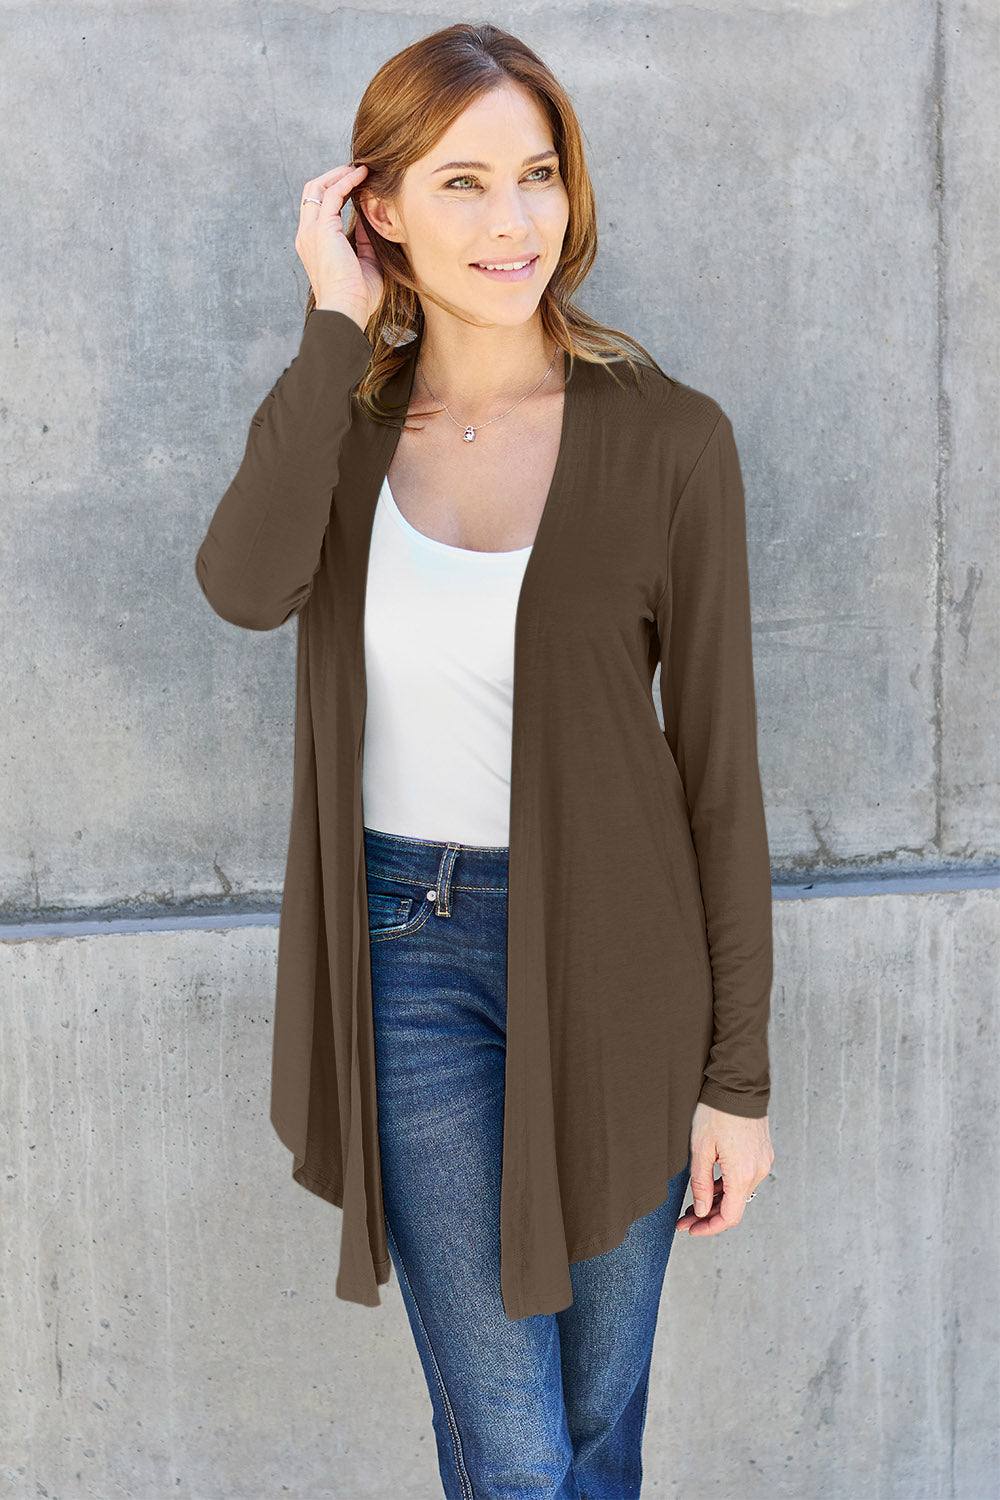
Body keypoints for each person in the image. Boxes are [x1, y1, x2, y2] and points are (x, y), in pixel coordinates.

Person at [196, 21, 775, 1499]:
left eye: (537, 177)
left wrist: (739, 1083)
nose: (514, 222)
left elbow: (719, 777)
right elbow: (243, 585)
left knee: (595, 1423)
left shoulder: (671, 441)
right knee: (514, 1449)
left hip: (625, 970)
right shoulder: (350, 427)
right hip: (409, 959)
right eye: (462, 183)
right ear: (376, 206)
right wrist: (334, 326)